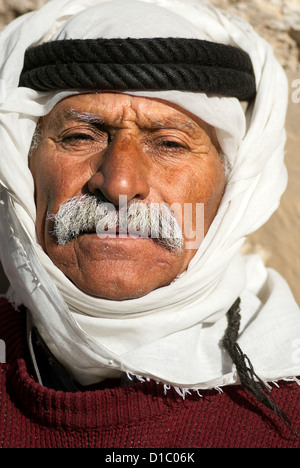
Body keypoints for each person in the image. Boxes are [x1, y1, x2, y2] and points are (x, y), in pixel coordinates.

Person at [0, 0, 299, 449]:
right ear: (25, 165)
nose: (119, 184)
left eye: (170, 144)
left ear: (234, 184)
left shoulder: (283, 406)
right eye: (82, 136)